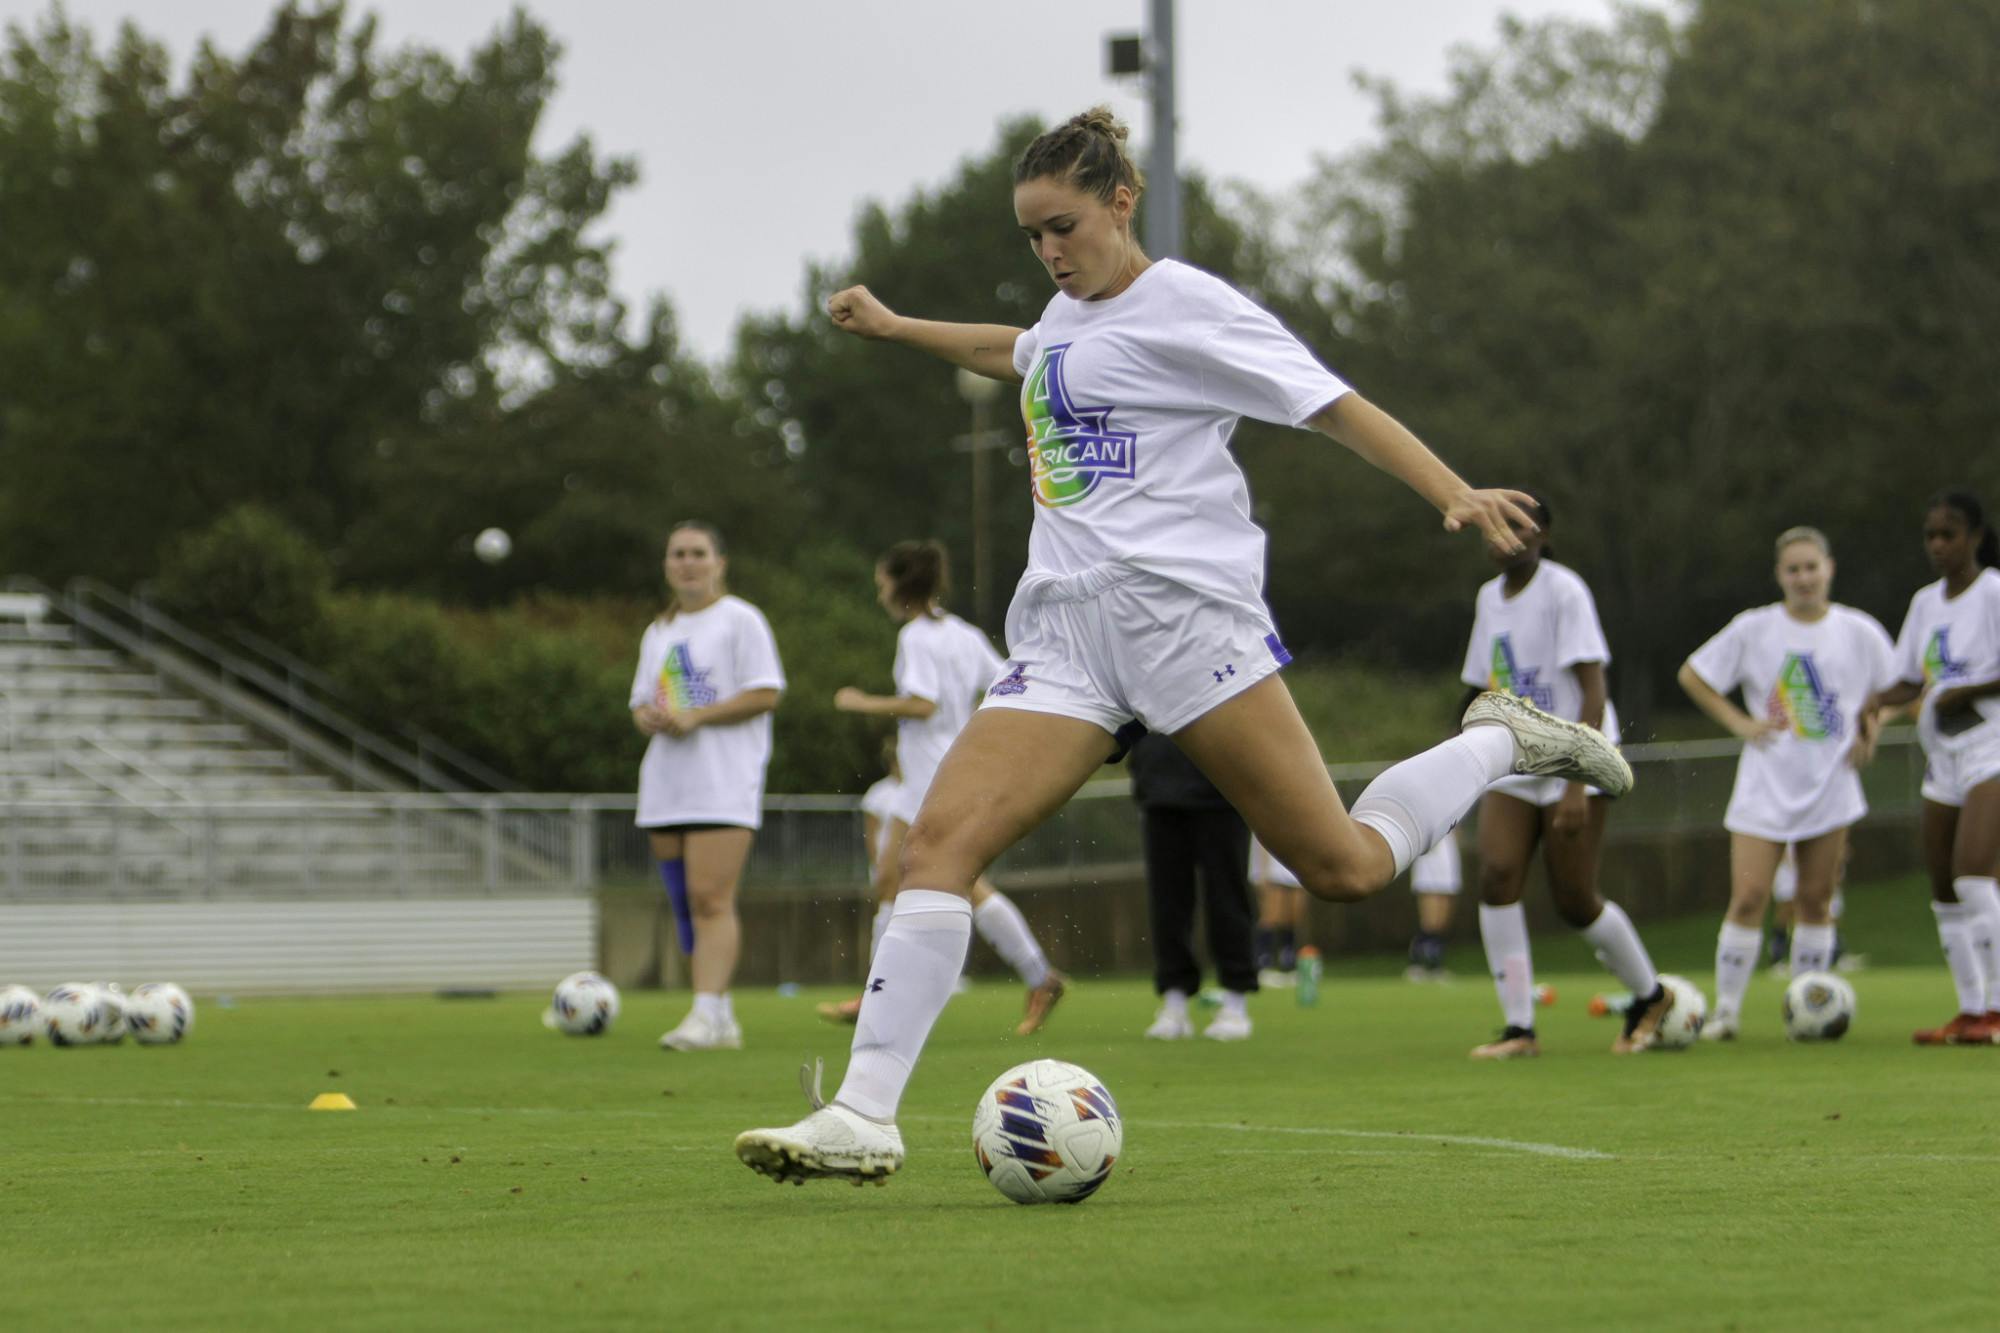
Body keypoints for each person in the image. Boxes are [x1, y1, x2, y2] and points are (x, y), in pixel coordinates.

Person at [734, 108, 1633, 1187]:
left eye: (1062, 226)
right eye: (1030, 237)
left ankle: (1497, 740)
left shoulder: (1191, 306)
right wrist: (895, 327)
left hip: (1184, 624)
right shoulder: (1060, 316)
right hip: (1065, 638)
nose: (1048, 253)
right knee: (934, 852)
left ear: (1120, 201)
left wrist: (1452, 493)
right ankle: (862, 1115)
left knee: (1341, 867)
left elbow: (1334, 407)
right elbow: (1014, 351)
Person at [818, 540, 1066, 1034]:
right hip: (950, 771)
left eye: (881, 584)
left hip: (930, 777)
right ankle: (881, 994)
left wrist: (861, 702)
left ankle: (1036, 976)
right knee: (905, 879)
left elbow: (922, 704)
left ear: (897, 584)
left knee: (937, 880)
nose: (879, 593)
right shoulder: (963, 633)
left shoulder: (915, 637)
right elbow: (1008, 685)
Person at [1453, 493, 1666, 1059]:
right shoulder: (1487, 598)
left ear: (1545, 535)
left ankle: (1650, 996)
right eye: (1500, 526)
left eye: (1524, 526)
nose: (1511, 536)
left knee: (1574, 900)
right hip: (1514, 753)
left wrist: (1577, 781)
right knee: (1497, 877)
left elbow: (1594, 689)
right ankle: (1520, 1028)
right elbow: (1482, 689)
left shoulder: (1564, 590)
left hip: (1576, 750)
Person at [1677, 526, 1896, 1040]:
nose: (1804, 578)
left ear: (1830, 568)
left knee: (1816, 898)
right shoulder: (1754, 628)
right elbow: (1693, 674)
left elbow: (1899, 689)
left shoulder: (1858, 630)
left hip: (1832, 783)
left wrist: (1873, 728)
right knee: (1751, 895)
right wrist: (1738, 723)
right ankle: (1726, 1012)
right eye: (1793, 569)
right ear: (1780, 575)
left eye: (1811, 567)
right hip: (1765, 784)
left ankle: (1806, 1004)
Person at [631, 521, 785, 1051]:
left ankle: (704, 1012)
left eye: (698, 553)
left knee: (710, 898)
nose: (687, 563)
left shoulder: (741, 620)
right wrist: (649, 717)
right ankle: (718, 1014)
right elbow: (639, 701)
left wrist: (698, 717)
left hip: (723, 780)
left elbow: (766, 693)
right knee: (683, 902)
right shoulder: (660, 630)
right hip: (666, 783)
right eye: (677, 554)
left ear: (720, 562)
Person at [1866, 491, 2000, 1045]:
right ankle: (1970, 1012)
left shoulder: (1993, 592)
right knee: (1943, 886)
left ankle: (1996, 1008)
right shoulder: (1925, 602)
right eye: (1931, 536)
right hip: (1941, 756)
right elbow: (1910, 679)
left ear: (1975, 536)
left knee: (1973, 875)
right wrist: (1870, 701)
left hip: (1991, 747)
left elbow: (1954, 685)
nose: (1939, 545)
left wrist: (1965, 690)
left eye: (1950, 534)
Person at [1128, 731, 1258, 1040]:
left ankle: (1235, 1003)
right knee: (1167, 904)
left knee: (1228, 897)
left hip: (1222, 793)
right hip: (1159, 793)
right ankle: (1174, 1004)